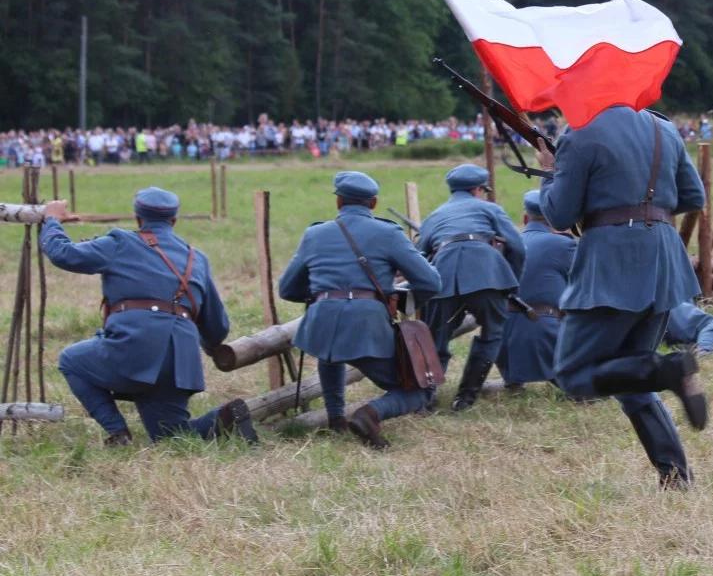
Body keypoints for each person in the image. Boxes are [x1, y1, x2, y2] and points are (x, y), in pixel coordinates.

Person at [535, 105, 709, 488]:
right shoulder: (664, 128)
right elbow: (693, 196)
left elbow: (559, 216)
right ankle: (676, 476)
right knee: (629, 375)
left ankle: (669, 370)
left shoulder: (579, 134)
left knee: (572, 375)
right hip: (663, 259)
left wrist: (550, 169)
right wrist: (646, 207)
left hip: (612, 263)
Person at [40, 188, 255, 446]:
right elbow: (217, 329)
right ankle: (227, 418)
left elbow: (63, 254)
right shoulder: (196, 259)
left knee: (72, 360)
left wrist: (51, 219)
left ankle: (118, 432)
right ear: (173, 221)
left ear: (138, 218)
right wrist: (206, 345)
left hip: (134, 351)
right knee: (172, 438)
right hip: (180, 364)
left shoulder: (120, 242)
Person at [278, 172, 441, 449]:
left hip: (320, 319)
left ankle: (336, 421)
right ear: (374, 203)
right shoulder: (389, 233)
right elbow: (430, 281)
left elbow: (287, 289)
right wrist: (406, 302)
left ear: (339, 202)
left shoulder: (314, 234)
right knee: (420, 390)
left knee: (330, 354)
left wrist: (323, 296)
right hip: (364, 322)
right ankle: (369, 415)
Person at [418, 164, 524, 411]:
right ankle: (465, 398)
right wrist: (510, 283)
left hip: (443, 274)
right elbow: (518, 247)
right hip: (487, 274)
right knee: (492, 334)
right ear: (478, 189)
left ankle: (425, 398)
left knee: (435, 338)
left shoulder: (435, 215)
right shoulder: (490, 209)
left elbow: (420, 254)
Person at [495, 190, 576, 390]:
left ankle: (513, 381)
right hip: (544, 336)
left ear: (525, 218)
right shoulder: (563, 245)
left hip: (501, 342)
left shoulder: (505, 246)